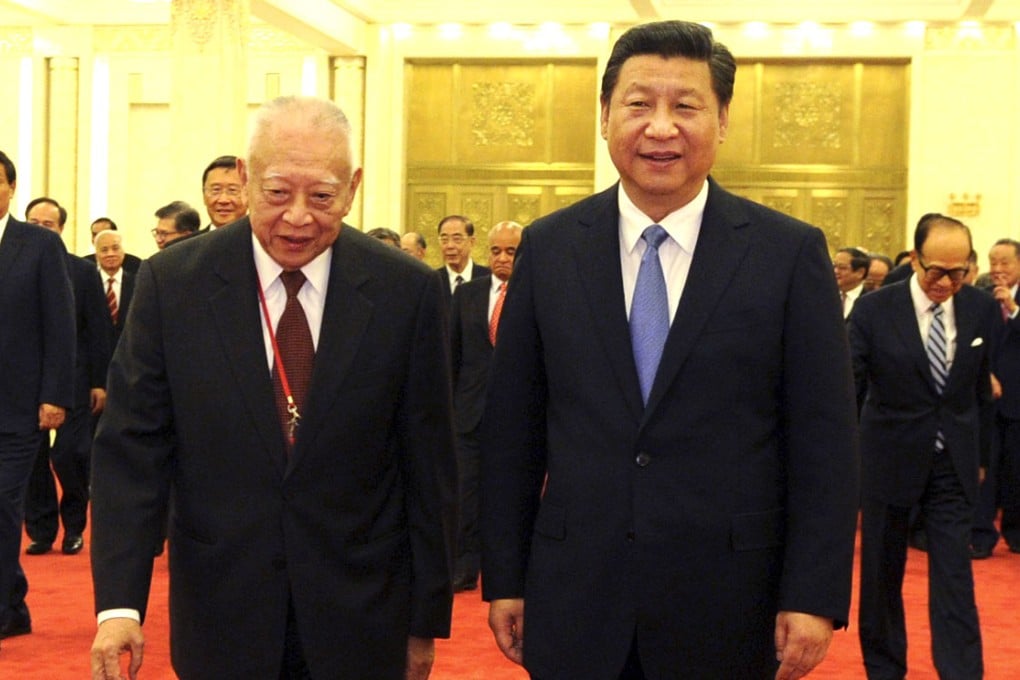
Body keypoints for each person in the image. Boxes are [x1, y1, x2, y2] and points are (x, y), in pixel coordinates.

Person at [479, 21, 859, 680]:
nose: (660, 128)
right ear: (605, 115)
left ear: (722, 120)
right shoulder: (550, 248)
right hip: (576, 593)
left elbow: (824, 440)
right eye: (638, 104)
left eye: (685, 106)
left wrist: (813, 594)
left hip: (730, 600)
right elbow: (515, 429)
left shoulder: (786, 253)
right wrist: (506, 577)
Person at [89, 96, 456, 680]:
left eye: (322, 196)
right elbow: (133, 452)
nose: (298, 217)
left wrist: (423, 621)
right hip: (221, 610)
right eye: (278, 192)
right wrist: (118, 606)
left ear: (354, 187)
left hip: (361, 614)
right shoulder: (174, 284)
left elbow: (428, 465)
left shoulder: (405, 291)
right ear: (245, 175)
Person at [851, 213, 994, 680]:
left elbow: (978, 393)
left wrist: (982, 459)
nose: (947, 283)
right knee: (882, 575)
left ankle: (961, 671)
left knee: (955, 576)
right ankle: (884, 669)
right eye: (936, 271)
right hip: (888, 461)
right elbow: (848, 388)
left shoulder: (979, 308)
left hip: (952, 463)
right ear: (914, 259)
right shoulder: (875, 310)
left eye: (958, 272)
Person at [0, 151, 75, 649]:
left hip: (18, 406)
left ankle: (4, 607)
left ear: (11, 187)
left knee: (2, 505)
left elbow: (60, 323)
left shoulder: (39, 245)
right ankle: (13, 604)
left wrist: (55, 395)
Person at [22, 198, 111, 557]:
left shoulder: (82, 271)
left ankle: (74, 525)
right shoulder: (12, 264)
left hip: (75, 380)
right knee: (32, 459)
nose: (40, 229)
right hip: (26, 380)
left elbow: (99, 330)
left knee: (69, 454)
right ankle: (41, 530)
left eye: (48, 224)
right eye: (33, 222)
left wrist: (100, 382)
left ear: (61, 229)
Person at [449, 220, 522, 593]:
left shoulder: (537, 293)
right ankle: (464, 566)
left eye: (511, 251)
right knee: (466, 493)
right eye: (496, 251)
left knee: (510, 496)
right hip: (469, 413)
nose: (502, 258)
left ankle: (509, 568)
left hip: (518, 415)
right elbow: (452, 355)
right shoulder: (467, 295)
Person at [972, 238, 1020, 557]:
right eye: (993, 262)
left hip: (1017, 398)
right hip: (987, 398)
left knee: (1016, 471)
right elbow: (973, 343)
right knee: (985, 471)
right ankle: (981, 535)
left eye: (1005, 262)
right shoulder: (981, 298)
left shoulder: (1012, 302)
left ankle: (1016, 533)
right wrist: (985, 373)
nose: (998, 269)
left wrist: (1013, 309)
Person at [93, 229, 135, 344]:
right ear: (96, 255)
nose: (110, 254)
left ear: (123, 252)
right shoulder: (87, 284)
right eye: (104, 250)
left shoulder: (136, 283)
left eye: (115, 248)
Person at [436, 215, 489, 303]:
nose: (450, 246)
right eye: (444, 239)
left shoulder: (488, 277)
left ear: (471, 242)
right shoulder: (433, 281)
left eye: (457, 239)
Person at [200, 155, 248, 230]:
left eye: (232, 190)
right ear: (204, 196)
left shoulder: (263, 237)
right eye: (216, 190)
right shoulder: (192, 238)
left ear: (248, 195)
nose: (223, 200)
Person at [834, 246, 870, 318]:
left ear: (860, 272)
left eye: (842, 268)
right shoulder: (825, 296)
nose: (835, 271)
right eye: (834, 266)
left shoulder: (870, 301)